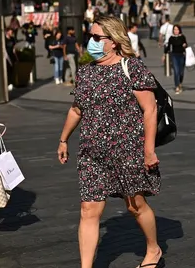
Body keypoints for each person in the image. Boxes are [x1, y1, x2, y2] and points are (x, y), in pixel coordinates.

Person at [57, 15, 162, 268]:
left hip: (127, 150)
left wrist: (149, 150)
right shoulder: (86, 71)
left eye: (96, 37)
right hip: (92, 153)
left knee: (135, 205)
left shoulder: (131, 67)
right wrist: (63, 139)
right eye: (90, 36)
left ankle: (153, 249)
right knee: (88, 209)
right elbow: (77, 109)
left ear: (113, 41)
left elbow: (150, 109)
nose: (91, 41)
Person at [167, 25, 188, 94]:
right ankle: (177, 86)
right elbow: (168, 47)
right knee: (176, 71)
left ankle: (180, 83)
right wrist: (164, 54)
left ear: (179, 30)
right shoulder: (171, 38)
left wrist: (185, 45)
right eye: (174, 29)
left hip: (181, 55)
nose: (176, 31)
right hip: (174, 56)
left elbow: (186, 45)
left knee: (181, 72)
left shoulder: (182, 37)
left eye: (177, 29)